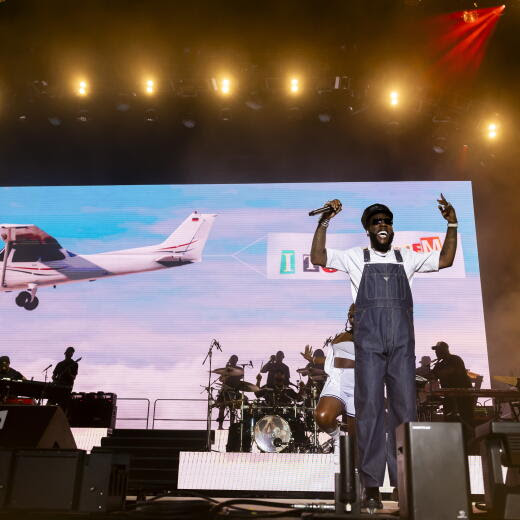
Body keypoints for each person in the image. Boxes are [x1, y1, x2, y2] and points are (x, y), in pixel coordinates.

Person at [310, 195, 458, 508]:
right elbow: (319, 257)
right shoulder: (355, 256)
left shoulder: (407, 258)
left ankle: (406, 483)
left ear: (392, 229)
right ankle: (372, 487)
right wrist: (325, 222)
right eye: (376, 222)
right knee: (370, 412)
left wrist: (452, 224)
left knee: (405, 413)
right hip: (370, 343)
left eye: (387, 222)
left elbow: (445, 260)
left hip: (402, 344)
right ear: (368, 229)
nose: (383, 226)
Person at [314, 304, 356, 451]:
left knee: (355, 440)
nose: (353, 317)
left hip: (361, 387)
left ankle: (352, 462)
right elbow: (330, 361)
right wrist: (313, 360)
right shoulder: (340, 337)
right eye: (351, 314)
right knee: (322, 416)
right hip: (338, 381)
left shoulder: (377, 337)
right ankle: (338, 438)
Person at [431, 341, 473, 437]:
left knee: (465, 420)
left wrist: (437, 373)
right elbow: (432, 375)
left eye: (438, 350)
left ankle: (469, 440)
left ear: (445, 350)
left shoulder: (455, 359)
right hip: (449, 397)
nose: (436, 352)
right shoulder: (439, 364)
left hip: (463, 396)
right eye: (436, 351)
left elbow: (453, 372)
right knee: (449, 420)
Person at [216, 354, 242, 430]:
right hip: (225, 390)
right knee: (222, 408)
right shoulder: (226, 369)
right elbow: (220, 379)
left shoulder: (238, 369)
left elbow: (240, 376)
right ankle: (220, 426)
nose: (232, 361)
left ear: (236, 361)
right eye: (231, 359)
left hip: (233, 391)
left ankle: (231, 426)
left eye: (234, 360)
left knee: (232, 409)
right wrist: (225, 375)